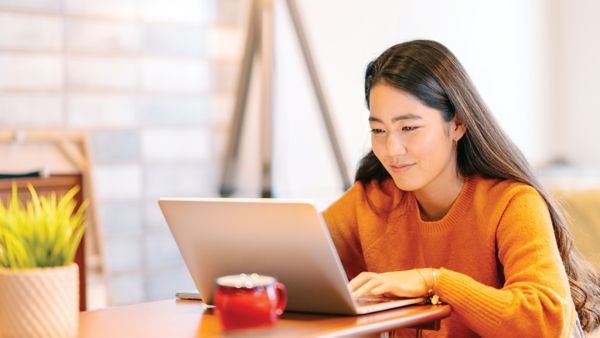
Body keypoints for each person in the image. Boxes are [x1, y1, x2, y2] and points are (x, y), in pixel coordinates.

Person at [322, 40, 600, 337]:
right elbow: (296, 262)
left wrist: (434, 282)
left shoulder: (512, 201)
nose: (392, 149)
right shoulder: (372, 200)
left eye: (409, 128)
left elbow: (546, 321)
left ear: (457, 124)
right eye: (378, 130)